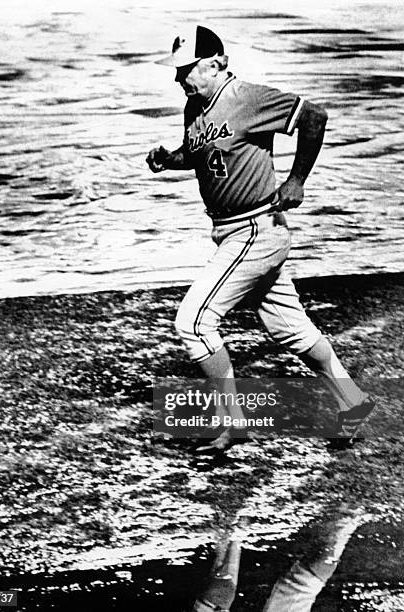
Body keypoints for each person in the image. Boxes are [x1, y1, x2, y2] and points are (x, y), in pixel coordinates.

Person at [146, 25, 374, 451]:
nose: (180, 79)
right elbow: (201, 157)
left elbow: (314, 116)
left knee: (193, 323)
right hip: (232, 232)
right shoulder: (195, 107)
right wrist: (169, 159)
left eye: (187, 69)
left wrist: (297, 180)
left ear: (217, 63)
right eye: (177, 71)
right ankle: (353, 402)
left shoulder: (247, 98)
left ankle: (232, 422)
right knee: (291, 330)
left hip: (256, 230)